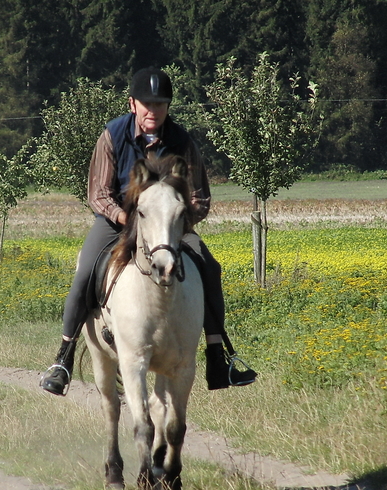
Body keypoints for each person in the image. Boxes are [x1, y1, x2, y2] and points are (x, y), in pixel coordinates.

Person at [40, 67, 257, 396]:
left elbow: (200, 196)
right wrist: (125, 218)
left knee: (210, 268)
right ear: (133, 104)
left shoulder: (182, 141)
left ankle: (218, 356)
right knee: (85, 271)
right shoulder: (112, 135)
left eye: (160, 104)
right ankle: (63, 358)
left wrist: (174, 222)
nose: (153, 110)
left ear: (168, 107)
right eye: (147, 104)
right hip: (119, 223)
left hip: (170, 227)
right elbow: (99, 193)